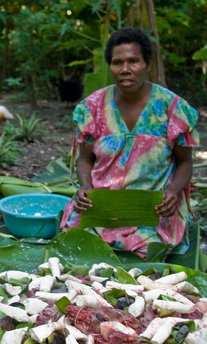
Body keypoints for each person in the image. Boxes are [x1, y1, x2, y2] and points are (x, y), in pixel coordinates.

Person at [61, 27, 199, 257]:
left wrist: (173, 191)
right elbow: (85, 158)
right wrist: (85, 187)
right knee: (78, 243)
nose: (125, 69)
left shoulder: (171, 108)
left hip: (151, 209)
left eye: (133, 61)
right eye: (118, 62)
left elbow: (185, 162)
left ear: (147, 64)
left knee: (146, 248)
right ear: (111, 66)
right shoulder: (93, 108)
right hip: (102, 206)